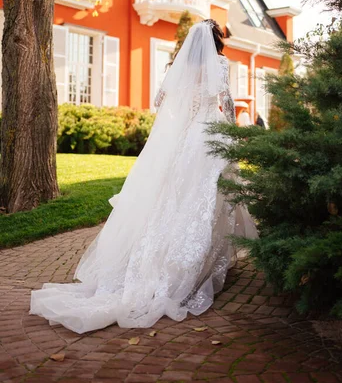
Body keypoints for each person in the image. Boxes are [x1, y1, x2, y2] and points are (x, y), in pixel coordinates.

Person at [30, 20, 258, 334]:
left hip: (184, 138)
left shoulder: (181, 66)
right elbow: (227, 101)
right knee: (206, 198)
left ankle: (171, 261)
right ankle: (202, 262)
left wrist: (181, 119)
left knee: (175, 200)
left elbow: (159, 101)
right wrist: (229, 128)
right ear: (218, 41)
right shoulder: (218, 63)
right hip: (208, 137)